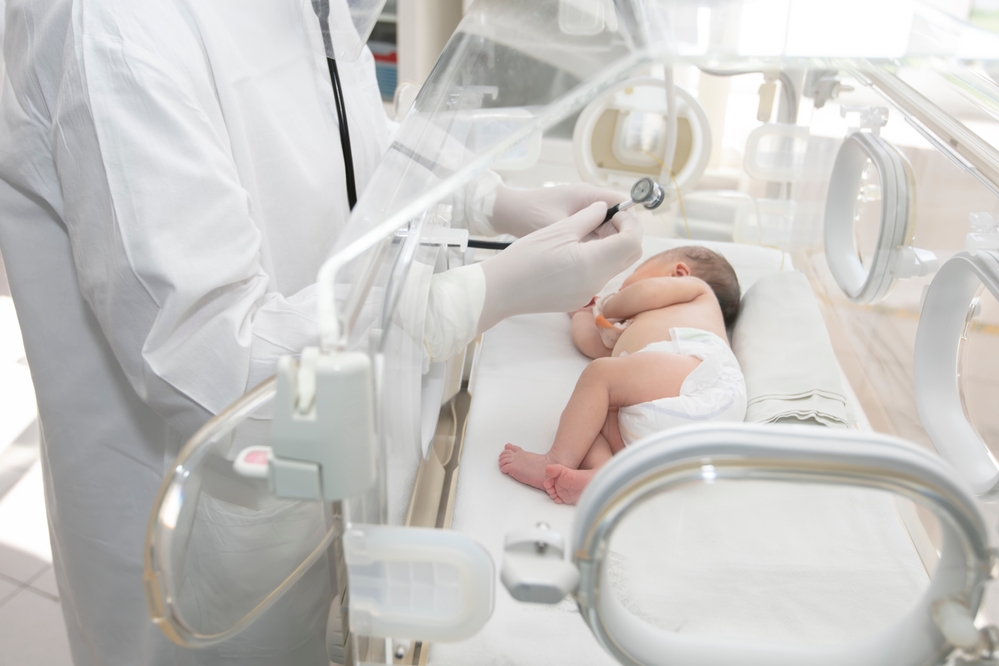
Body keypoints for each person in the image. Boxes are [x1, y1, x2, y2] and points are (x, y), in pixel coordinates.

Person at [0, 0, 642, 664]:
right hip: (203, 528)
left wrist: (489, 198)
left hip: (332, 465)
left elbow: (341, 129)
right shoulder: (115, 23)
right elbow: (215, 367)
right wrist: (473, 298)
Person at [498, 246, 746, 505]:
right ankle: (603, 472)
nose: (621, 288)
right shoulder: (631, 330)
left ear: (679, 273)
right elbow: (590, 343)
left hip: (703, 381)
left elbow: (643, 294)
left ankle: (556, 460)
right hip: (660, 443)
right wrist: (582, 313)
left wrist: (608, 304)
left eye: (633, 276)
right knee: (587, 415)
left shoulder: (696, 290)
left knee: (599, 374)